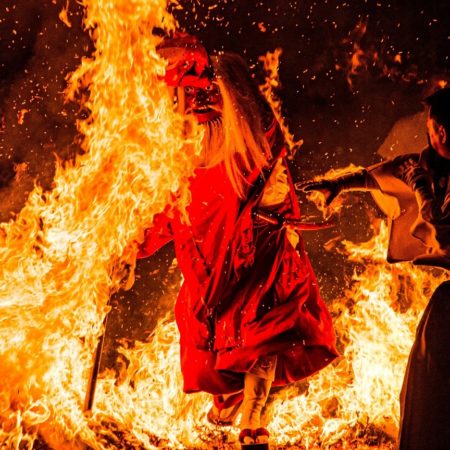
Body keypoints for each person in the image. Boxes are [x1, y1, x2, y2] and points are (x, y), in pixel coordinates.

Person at [137, 34, 338, 445]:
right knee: (221, 342)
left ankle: (253, 419)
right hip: (214, 268)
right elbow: (167, 215)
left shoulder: (252, 147)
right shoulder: (188, 166)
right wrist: (127, 248)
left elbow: (254, 118)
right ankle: (232, 405)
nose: (191, 107)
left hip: (259, 253)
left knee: (264, 334)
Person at [298, 87, 450, 450]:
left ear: (441, 130)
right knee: (424, 388)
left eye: (433, 128)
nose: (430, 135)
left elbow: (441, 234)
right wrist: (338, 184)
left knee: (435, 393)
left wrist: (420, 190)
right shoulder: (434, 164)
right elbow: (382, 173)